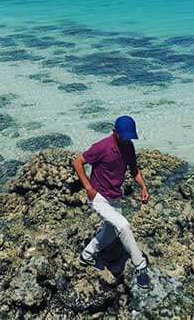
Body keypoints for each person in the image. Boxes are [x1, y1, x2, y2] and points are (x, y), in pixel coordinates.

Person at [73, 115, 151, 289]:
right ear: (115, 132)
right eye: (124, 136)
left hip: (115, 196)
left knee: (112, 231)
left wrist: (143, 187)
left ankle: (86, 255)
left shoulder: (129, 147)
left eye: (129, 137)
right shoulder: (102, 147)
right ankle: (140, 266)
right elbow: (78, 162)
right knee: (123, 225)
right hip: (99, 197)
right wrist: (89, 189)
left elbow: (134, 169)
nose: (127, 139)